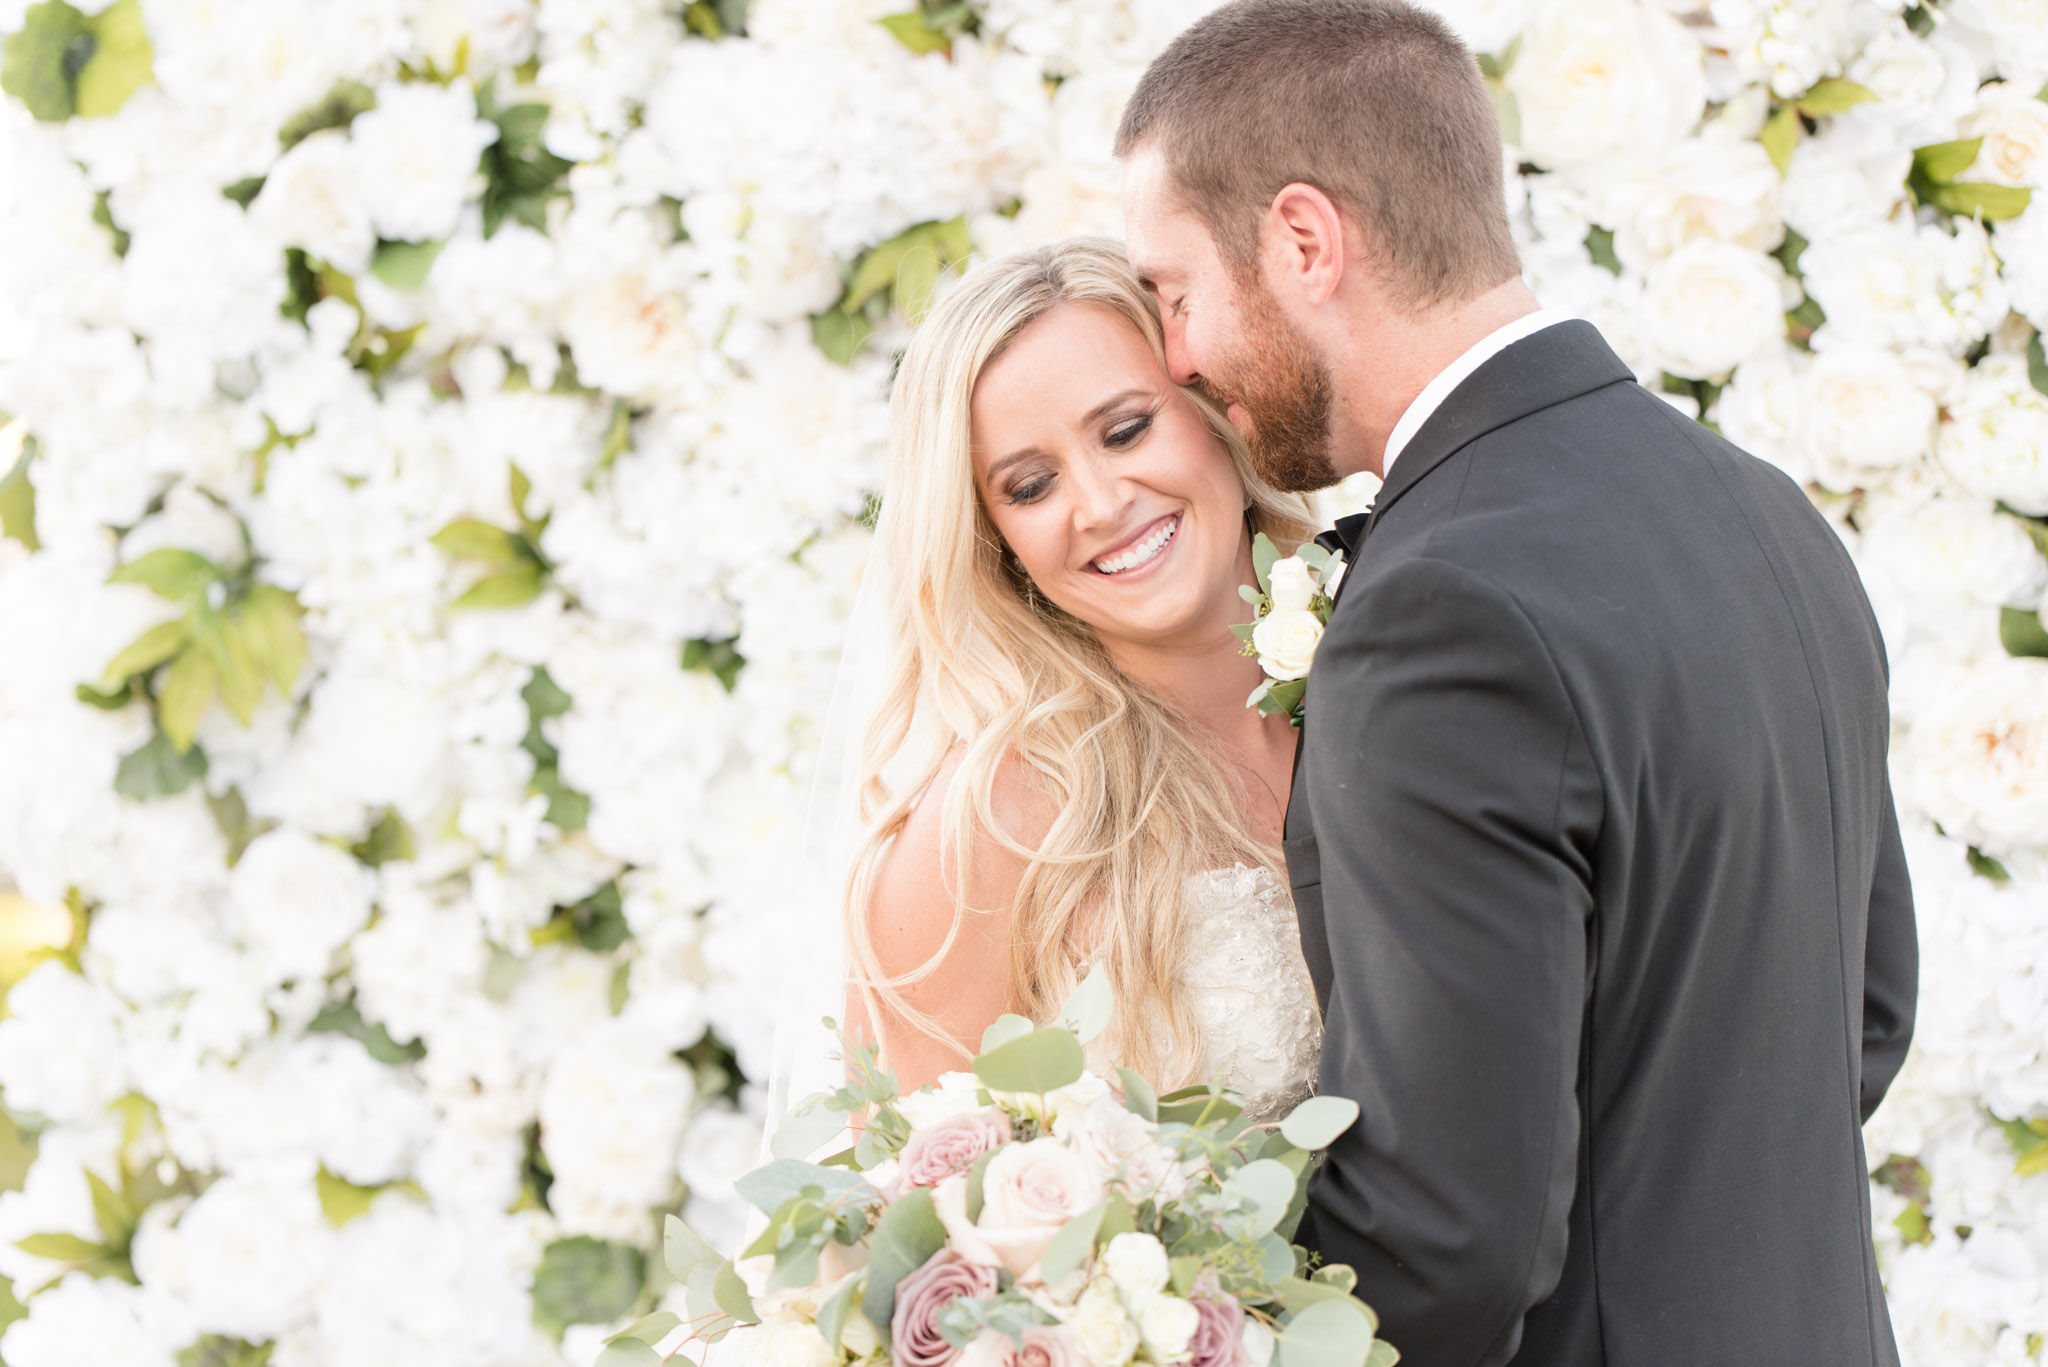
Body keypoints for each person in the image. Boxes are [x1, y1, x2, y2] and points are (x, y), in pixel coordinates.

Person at [1113, 2, 1917, 1365]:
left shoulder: (1439, 607)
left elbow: (1447, 1233)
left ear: (1304, 242)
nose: (1177, 357)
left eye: (1176, 293)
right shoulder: (1768, 514)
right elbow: (1867, 1012)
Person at [835, 237, 1326, 1123]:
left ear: (1217, 410)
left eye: (1127, 429)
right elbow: (892, 1217)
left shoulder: (1381, 683)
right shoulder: (995, 822)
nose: (1100, 505)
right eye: (1029, 485)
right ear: (994, 540)